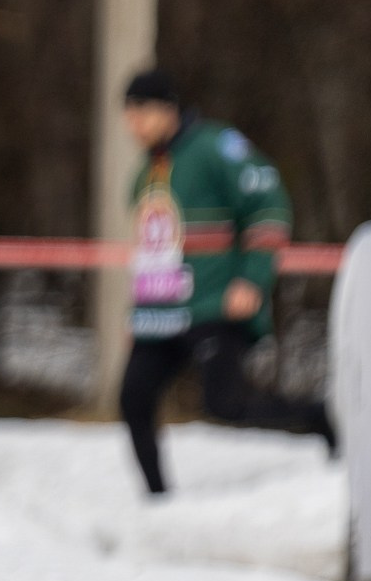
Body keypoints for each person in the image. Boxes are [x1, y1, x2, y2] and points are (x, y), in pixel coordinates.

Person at [117, 68, 338, 496]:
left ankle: (318, 417)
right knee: (133, 398)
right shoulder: (145, 175)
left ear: (168, 109)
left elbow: (269, 208)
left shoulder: (217, 148)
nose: (132, 123)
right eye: (128, 114)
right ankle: (158, 499)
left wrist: (252, 280)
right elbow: (150, 252)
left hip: (213, 305)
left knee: (226, 404)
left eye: (140, 111)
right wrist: (137, 312)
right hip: (159, 314)